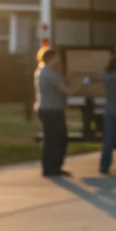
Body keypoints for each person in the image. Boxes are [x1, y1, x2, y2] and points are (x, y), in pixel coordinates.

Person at [34, 47, 71, 177]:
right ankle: (52, 168)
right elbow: (66, 90)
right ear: (51, 58)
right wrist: (82, 84)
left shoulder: (42, 71)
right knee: (56, 140)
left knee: (52, 139)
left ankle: (52, 167)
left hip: (47, 109)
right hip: (52, 110)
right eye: (56, 57)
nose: (59, 59)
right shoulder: (49, 74)